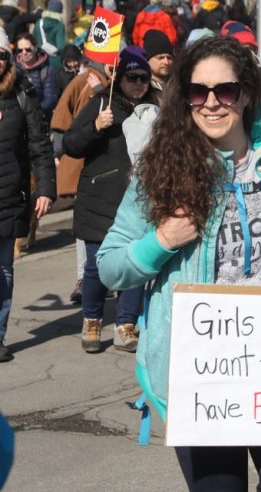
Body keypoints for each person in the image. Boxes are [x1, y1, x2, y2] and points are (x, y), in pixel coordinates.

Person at [97, 36, 261, 491]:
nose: (211, 103)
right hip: (203, 380)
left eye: (224, 91)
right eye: (197, 91)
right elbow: (110, 265)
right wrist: (161, 241)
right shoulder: (162, 166)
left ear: (245, 94)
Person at [63, 46, 159, 354]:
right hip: (99, 198)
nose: (138, 83)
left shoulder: (156, 109)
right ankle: (91, 319)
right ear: (120, 78)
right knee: (96, 267)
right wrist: (95, 127)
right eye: (132, 76)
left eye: (143, 78)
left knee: (135, 263)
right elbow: (71, 145)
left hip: (139, 200)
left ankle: (125, 324)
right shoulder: (100, 104)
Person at [0, 28, 56, 362]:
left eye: (1, 55)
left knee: (3, 270)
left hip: (9, 195)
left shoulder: (22, 91)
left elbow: (39, 143)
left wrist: (46, 188)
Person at [50, 57, 116, 304]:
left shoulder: (119, 82)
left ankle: (109, 276)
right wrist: (59, 152)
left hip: (114, 165)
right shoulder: (81, 81)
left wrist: (104, 91)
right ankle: (83, 277)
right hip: (84, 164)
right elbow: (62, 116)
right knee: (86, 226)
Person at [14, 32, 59, 123]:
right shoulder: (12, 69)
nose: (24, 53)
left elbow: (50, 100)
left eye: (28, 49)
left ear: (35, 48)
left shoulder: (47, 71)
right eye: (20, 50)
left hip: (39, 120)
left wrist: (31, 112)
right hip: (16, 120)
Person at [32, 0, 67, 68]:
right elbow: (61, 46)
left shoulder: (39, 23)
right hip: (56, 62)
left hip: (39, 61)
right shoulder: (59, 25)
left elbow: (33, 40)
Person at [142, 29, 175, 94]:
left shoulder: (178, 86)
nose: (166, 62)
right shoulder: (141, 87)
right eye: (160, 58)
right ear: (148, 60)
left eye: (169, 58)